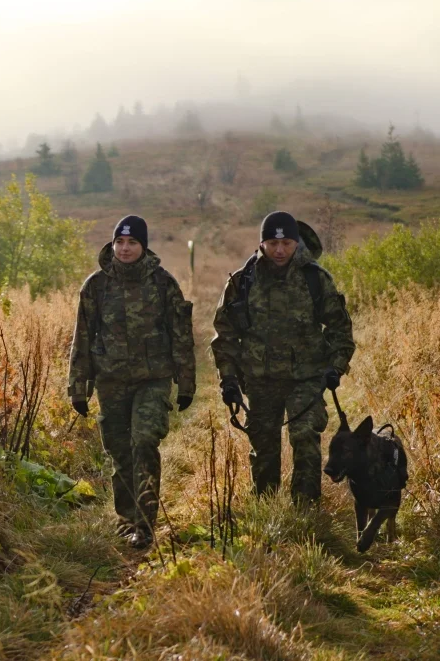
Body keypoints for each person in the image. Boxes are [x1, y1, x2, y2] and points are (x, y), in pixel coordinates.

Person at [67, 215, 196, 548]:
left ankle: (146, 523)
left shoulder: (163, 284)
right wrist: (78, 387)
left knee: (143, 441)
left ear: (143, 246)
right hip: (110, 381)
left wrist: (186, 382)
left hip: (152, 380)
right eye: (119, 242)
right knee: (120, 451)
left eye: (132, 243)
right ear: (113, 244)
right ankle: (126, 520)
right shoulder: (96, 285)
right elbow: (81, 338)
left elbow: (181, 335)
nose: (125, 249)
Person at [210, 211, 355, 506]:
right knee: (264, 446)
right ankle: (266, 509)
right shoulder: (242, 282)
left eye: (287, 243)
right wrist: (228, 379)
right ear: (261, 243)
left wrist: (335, 368)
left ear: (296, 243)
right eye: (272, 243)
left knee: (305, 437)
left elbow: (341, 328)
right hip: (259, 379)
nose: (279, 250)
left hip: (307, 378)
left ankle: (306, 511)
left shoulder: (315, 279)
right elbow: (224, 335)